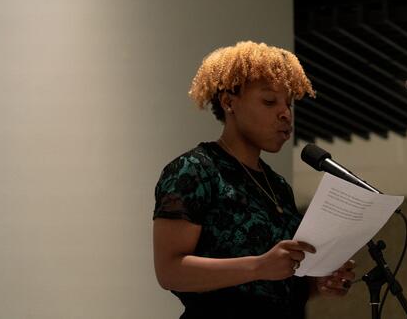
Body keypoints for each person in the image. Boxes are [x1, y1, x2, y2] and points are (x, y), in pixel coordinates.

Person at [152, 41, 356, 319]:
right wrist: (259, 266)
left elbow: (279, 287)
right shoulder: (194, 170)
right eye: (270, 101)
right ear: (228, 102)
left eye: (289, 104)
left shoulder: (278, 186)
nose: (285, 113)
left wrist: (319, 284)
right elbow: (169, 271)